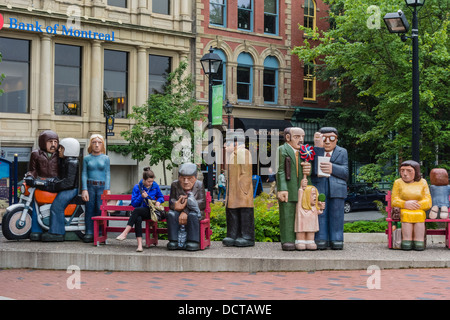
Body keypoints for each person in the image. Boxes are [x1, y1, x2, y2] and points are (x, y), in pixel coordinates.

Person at [25, 138, 81, 242]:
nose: (58, 150)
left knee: (56, 207)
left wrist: (53, 186)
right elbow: (60, 178)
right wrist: (52, 181)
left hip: (70, 190)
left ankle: (57, 233)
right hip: (66, 188)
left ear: (69, 149)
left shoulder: (72, 162)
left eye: (61, 148)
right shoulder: (65, 161)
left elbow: (68, 182)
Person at [310, 127, 348, 250]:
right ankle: (321, 237)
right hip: (319, 188)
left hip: (337, 189)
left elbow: (346, 172)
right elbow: (313, 171)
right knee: (321, 212)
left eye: (331, 138)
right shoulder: (314, 152)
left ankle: (336, 238)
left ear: (336, 139)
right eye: (324, 138)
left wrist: (333, 168)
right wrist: (318, 149)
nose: (327, 142)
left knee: (337, 215)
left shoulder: (342, 152)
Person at [276, 127, 310, 251]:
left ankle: (300, 239)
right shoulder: (282, 149)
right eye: (297, 137)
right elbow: (280, 170)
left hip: (301, 188)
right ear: (288, 137)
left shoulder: (304, 152)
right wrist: (282, 188)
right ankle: (288, 239)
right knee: (287, 214)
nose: (301, 140)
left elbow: (306, 170)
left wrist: (308, 172)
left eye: (303, 137)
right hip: (288, 188)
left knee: (301, 215)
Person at [116, 168, 165, 252]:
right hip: (140, 211)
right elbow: (134, 203)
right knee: (137, 218)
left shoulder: (155, 186)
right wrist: (141, 197)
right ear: (144, 180)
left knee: (136, 211)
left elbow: (161, 196)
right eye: (149, 181)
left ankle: (125, 233)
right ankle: (139, 246)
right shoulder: (137, 187)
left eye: (152, 181)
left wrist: (158, 201)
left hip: (151, 211)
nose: (151, 183)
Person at [26, 130, 60, 241]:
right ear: (42, 142)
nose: (53, 144)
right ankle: (36, 230)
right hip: (40, 182)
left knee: (56, 207)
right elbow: (33, 170)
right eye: (50, 142)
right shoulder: (35, 154)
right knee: (36, 206)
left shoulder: (60, 154)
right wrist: (30, 176)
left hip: (55, 184)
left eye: (55, 141)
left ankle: (54, 229)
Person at [391, 160, 432, 251]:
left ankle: (419, 240)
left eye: (409, 171)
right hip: (404, 209)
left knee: (420, 215)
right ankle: (407, 239)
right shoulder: (398, 182)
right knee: (406, 214)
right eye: (402, 171)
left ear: (416, 172)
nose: (405, 174)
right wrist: (405, 204)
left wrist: (416, 205)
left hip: (419, 209)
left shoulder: (423, 182)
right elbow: (394, 200)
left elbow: (428, 201)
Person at [223, 134, 255, 247]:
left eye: (227, 144)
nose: (224, 146)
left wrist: (244, 189)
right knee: (232, 211)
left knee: (244, 212)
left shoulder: (243, 152)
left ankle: (247, 236)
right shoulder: (233, 154)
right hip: (233, 190)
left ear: (236, 143)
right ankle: (233, 235)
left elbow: (246, 172)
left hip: (241, 190)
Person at [167, 163, 206, 251]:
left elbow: (202, 202)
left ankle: (193, 241)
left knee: (192, 215)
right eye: (183, 178)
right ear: (178, 177)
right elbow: (171, 201)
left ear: (195, 178)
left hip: (195, 212)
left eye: (189, 178)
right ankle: (174, 240)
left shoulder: (199, 185)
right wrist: (176, 204)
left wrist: (186, 211)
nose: (186, 181)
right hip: (178, 210)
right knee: (171, 214)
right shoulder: (175, 185)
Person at [81, 134, 111, 243]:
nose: (97, 145)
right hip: (90, 186)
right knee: (89, 209)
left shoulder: (106, 158)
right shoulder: (86, 158)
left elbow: (108, 174)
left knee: (100, 209)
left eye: (99, 142)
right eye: (94, 142)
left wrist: (107, 189)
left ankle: (100, 233)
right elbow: (84, 173)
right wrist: (84, 189)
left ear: (102, 144)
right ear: (90, 144)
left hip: (102, 186)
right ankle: (89, 232)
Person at [295, 185, 325, 250]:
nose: (315, 196)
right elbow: (300, 195)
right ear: (306, 196)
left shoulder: (314, 208)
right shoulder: (300, 208)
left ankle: (310, 241)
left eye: (316, 195)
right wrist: (301, 188)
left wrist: (321, 208)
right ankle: (300, 241)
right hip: (302, 227)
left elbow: (319, 212)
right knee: (301, 233)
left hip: (311, 227)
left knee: (311, 233)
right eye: (313, 194)